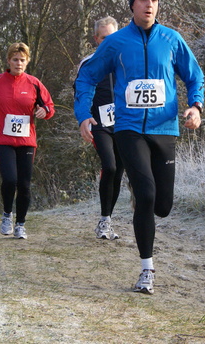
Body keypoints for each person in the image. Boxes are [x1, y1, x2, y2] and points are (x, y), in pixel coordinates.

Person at [74, 0, 205, 294]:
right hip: (129, 131)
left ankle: (144, 201)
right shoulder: (116, 43)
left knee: (162, 205)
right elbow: (87, 78)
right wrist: (83, 116)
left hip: (164, 130)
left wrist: (196, 108)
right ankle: (147, 270)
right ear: (132, 4)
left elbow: (194, 75)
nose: (149, 4)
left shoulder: (171, 40)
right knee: (145, 195)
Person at [0, 42, 55, 239]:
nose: (18, 63)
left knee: (25, 184)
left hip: (26, 141)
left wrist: (43, 111)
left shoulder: (34, 83)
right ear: (8, 61)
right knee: (10, 179)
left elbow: (50, 106)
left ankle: (20, 224)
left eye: (22, 60)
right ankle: (6, 215)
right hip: (2, 139)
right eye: (15, 59)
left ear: (27, 62)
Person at [76, 16, 125, 240]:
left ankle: (107, 219)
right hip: (100, 124)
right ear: (97, 39)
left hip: (124, 124)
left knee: (120, 171)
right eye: (104, 37)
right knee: (110, 167)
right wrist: (84, 117)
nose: (108, 41)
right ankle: (104, 220)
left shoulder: (127, 59)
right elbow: (81, 93)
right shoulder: (89, 63)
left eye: (112, 36)